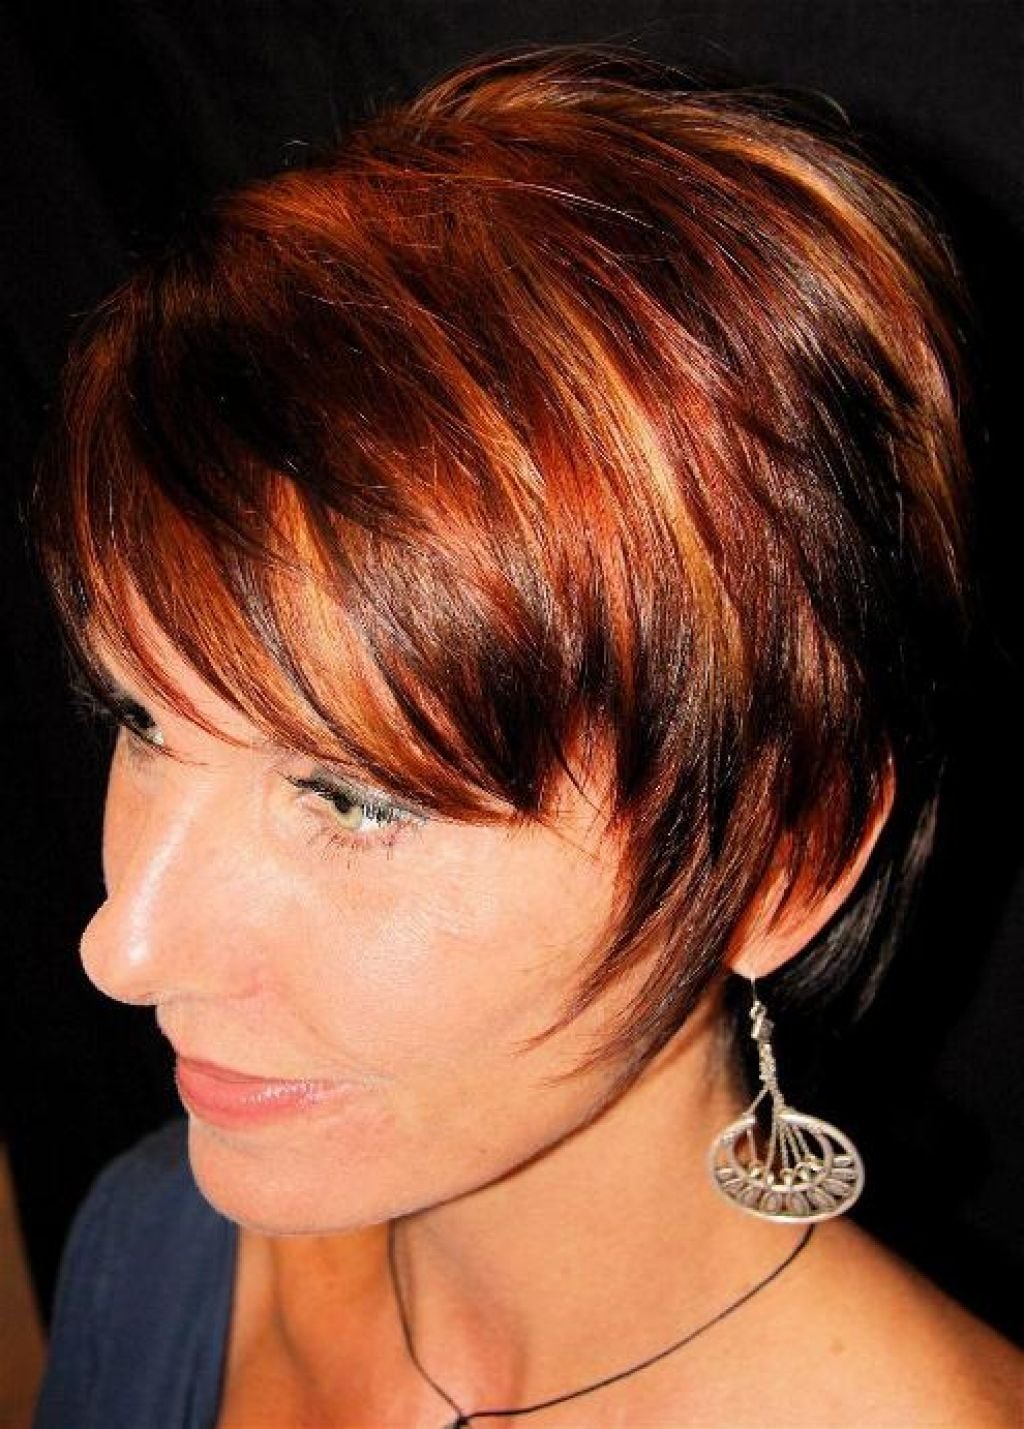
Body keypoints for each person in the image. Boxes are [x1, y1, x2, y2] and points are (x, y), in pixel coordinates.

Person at [31, 46, 1021, 1429]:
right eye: (142, 719)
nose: (124, 947)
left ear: (785, 863)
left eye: (355, 798)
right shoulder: (149, 1238)